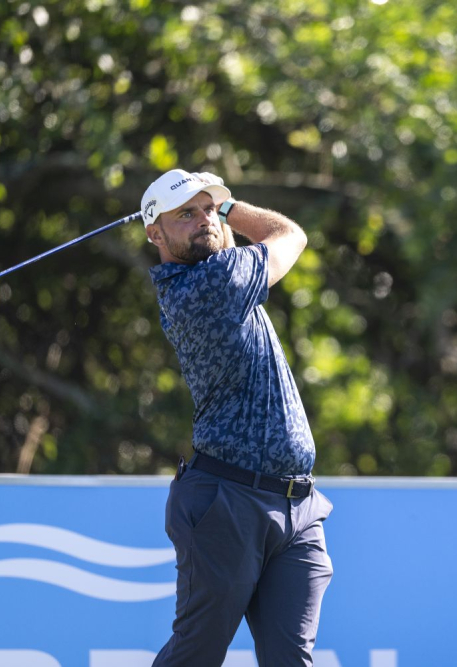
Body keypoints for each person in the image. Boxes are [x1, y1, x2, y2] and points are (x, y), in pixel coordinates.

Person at [141, 168, 333, 667]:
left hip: (297, 506)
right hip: (228, 502)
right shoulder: (210, 287)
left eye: (208, 209)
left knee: (293, 660)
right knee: (196, 655)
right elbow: (289, 236)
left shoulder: (225, 273)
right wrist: (230, 208)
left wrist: (214, 218)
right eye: (186, 214)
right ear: (153, 233)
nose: (203, 219)